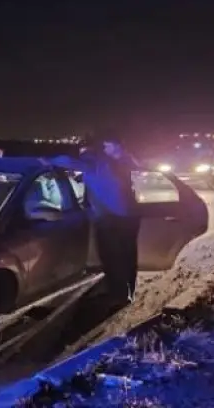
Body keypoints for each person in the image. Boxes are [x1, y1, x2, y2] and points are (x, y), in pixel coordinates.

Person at [43, 131, 141, 306]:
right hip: (129, 215)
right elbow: (103, 180)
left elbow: (70, 162)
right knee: (128, 256)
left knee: (112, 257)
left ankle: (118, 296)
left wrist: (47, 160)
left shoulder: (94, 160)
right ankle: (129, 292)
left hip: (111, 218)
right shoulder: (115, 163)